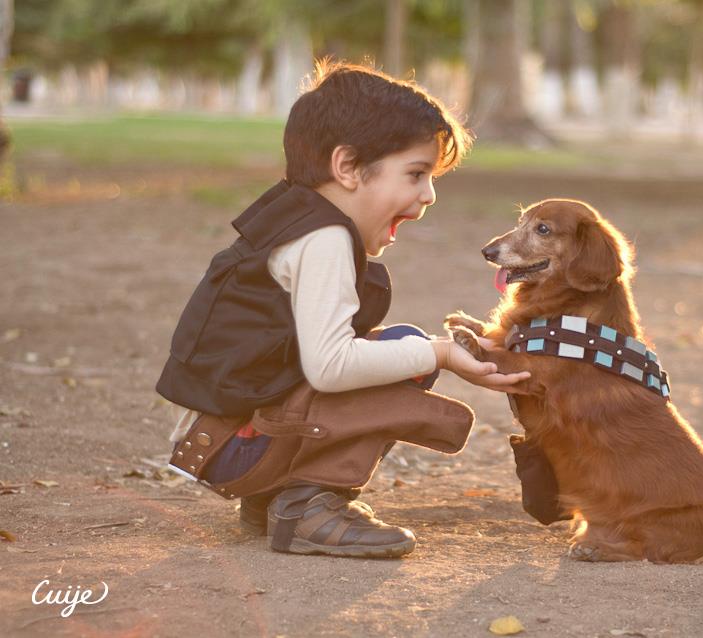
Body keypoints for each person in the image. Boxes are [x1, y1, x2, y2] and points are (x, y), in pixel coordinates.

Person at [156, 60, 530, 559]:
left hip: (223, 439)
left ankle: (275, 498)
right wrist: (439, 353)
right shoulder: (324, 239)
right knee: (407, 352)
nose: (429, 195)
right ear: (348, 167)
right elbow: (330, 367)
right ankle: (306, 506)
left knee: (399, 348)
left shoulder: (295, 218)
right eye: (416, 174)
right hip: (233, 448)